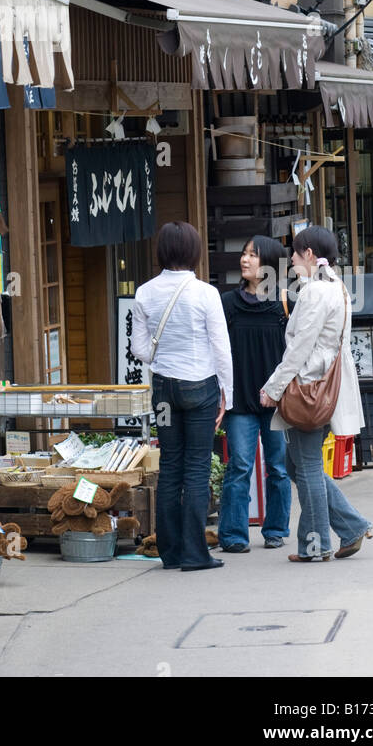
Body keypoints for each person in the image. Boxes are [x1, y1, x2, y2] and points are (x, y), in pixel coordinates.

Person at [260, 226, 372, 563]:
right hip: (327, 388)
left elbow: (299, 349)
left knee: (305, 467)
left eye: (295, 254)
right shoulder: (337, 287)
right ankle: (350, 525)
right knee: (298, 465)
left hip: (309, 388)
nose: (291, 261)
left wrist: (273, 388)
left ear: (309, 254)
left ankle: (317, 543)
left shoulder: (314, 293)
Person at [131, 221, 232, 572]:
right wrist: (226, 396)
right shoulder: (206, 293)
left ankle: (169, 551)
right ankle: (194, 552)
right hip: (199, 387)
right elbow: (221, 348)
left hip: (163, 388)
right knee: (197, 466)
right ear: (193, 251)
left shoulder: (144, 293)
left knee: (170, 465)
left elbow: (140, 350)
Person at [217, 236, 291, 554]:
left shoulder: (284, 304)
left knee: (278, 467)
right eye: (244, 253)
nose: (244, 260)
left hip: (276, 401)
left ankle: (275, 529)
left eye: (253, 255)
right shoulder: (228, 304)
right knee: (239, 467)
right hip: (240, 400)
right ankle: (233, 535)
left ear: (270, 265)